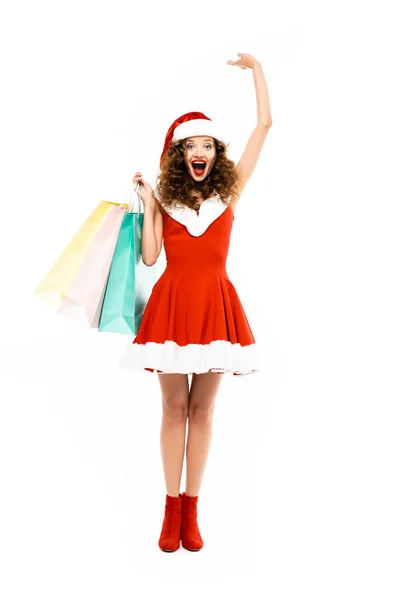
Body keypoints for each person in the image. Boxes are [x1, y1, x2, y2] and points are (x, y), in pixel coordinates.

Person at [119, 53, 272, 552]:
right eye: (193, 146)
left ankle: (192, 509)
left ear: (216, 154)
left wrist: (257, 70)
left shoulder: (231, 194)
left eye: (209, 145)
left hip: (216, 307)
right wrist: (146, 203)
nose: (201, 151)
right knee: (173, 409)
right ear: (181, 154)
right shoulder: (166, 197)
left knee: (203, 412)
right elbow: (148, 258)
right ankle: (169, 510)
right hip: (171, 306)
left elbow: (264, 125)